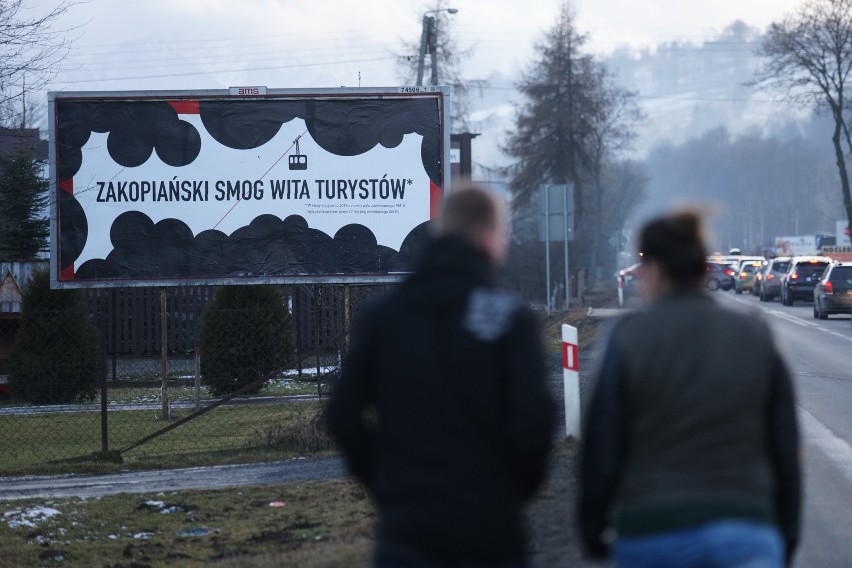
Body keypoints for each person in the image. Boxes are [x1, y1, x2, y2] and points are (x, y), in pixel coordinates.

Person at [327, 185, 556, 568]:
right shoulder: (510, 318)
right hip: (490, 531)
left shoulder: (383, 316)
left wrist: (385, 482)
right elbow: (536, 419)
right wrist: (511, 491)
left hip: (407, 528)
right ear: (490, 238)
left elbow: (342, 413)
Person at [578, 211, 801, 567]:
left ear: (652, 270)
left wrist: (593, 526)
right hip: (745, 530)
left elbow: (603, 443)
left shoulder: (629, 338)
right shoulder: (756, 335)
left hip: (652, 529)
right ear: (702, 269)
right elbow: (785, 446)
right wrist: (786, 531)